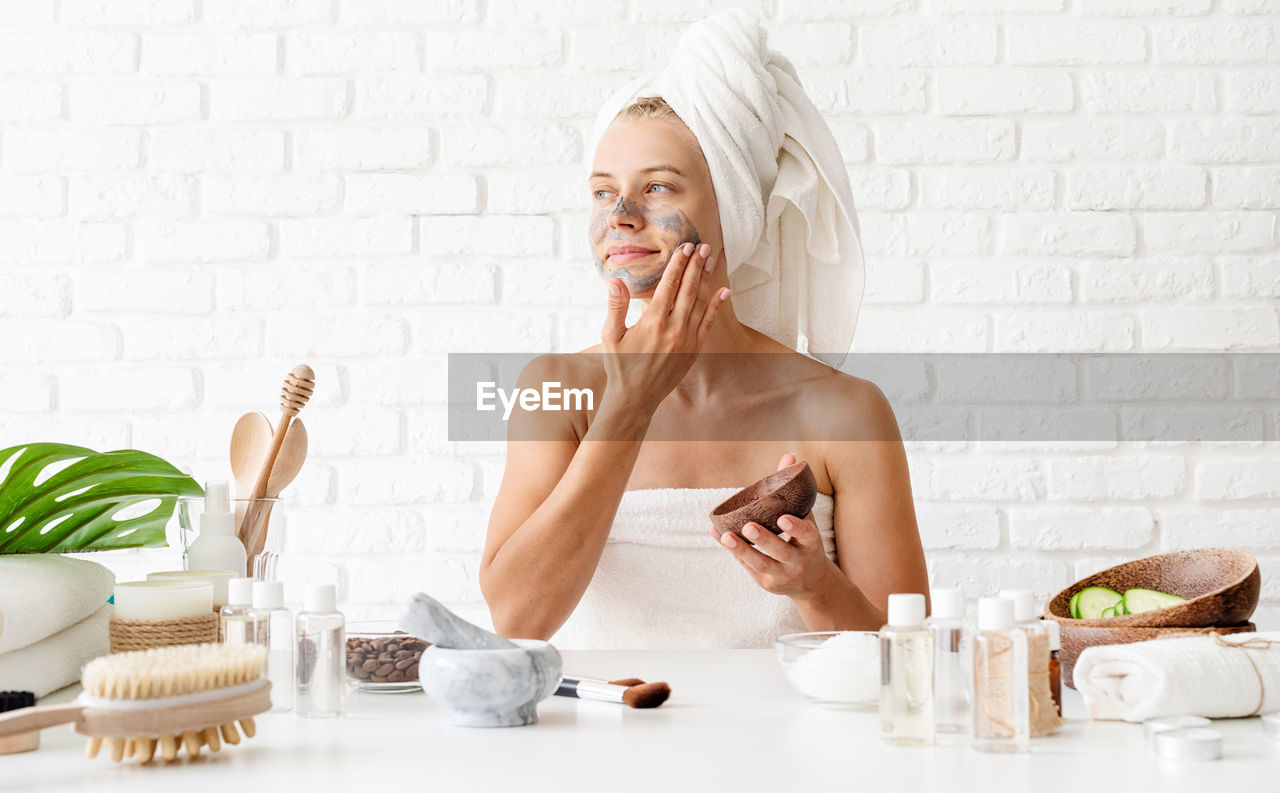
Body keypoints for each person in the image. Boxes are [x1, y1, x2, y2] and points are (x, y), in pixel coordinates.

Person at [479, 11, 928, 648]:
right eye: (604, 192)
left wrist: (815, 587)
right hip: (603, 740)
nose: (621, 217)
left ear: (736, 207)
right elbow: (519, 619)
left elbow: (911, 656)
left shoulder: (845, 411)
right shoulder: (555, 390)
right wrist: (627, 407)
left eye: (658, 187)